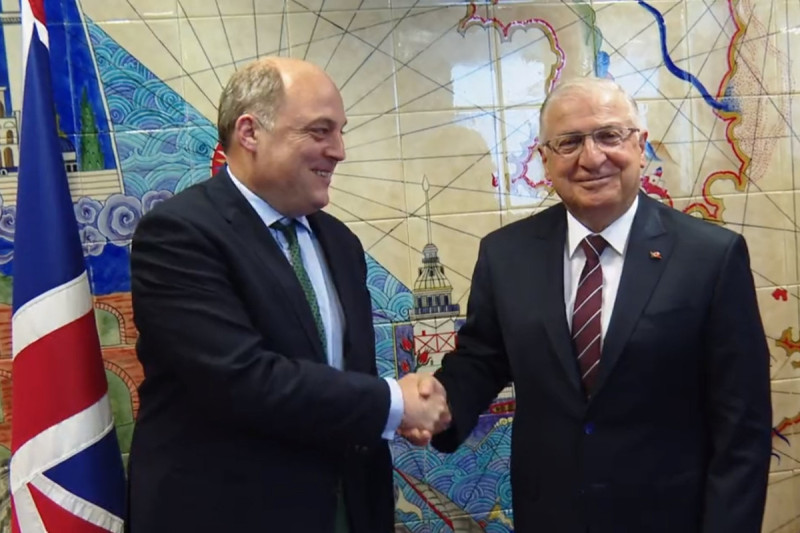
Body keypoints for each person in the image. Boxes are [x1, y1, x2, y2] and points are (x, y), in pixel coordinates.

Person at [429, 77, 772, 532]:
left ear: (640, 146)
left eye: (609, 135)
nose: (591, 158)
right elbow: (482, 359)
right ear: (545, 159)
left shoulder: (711, 257)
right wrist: (437, 406)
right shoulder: (505, 255)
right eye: (569, 142)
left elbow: (743, 427)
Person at [126, 57, 450, 533]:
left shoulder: (340, 242)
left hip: (347, 508)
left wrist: (396, 410)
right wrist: (393, 403)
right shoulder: (178, 234)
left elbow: (341, 377)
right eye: (320, 131)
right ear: (250, 132)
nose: (338, 151)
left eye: (340, 132)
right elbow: (240, 379)